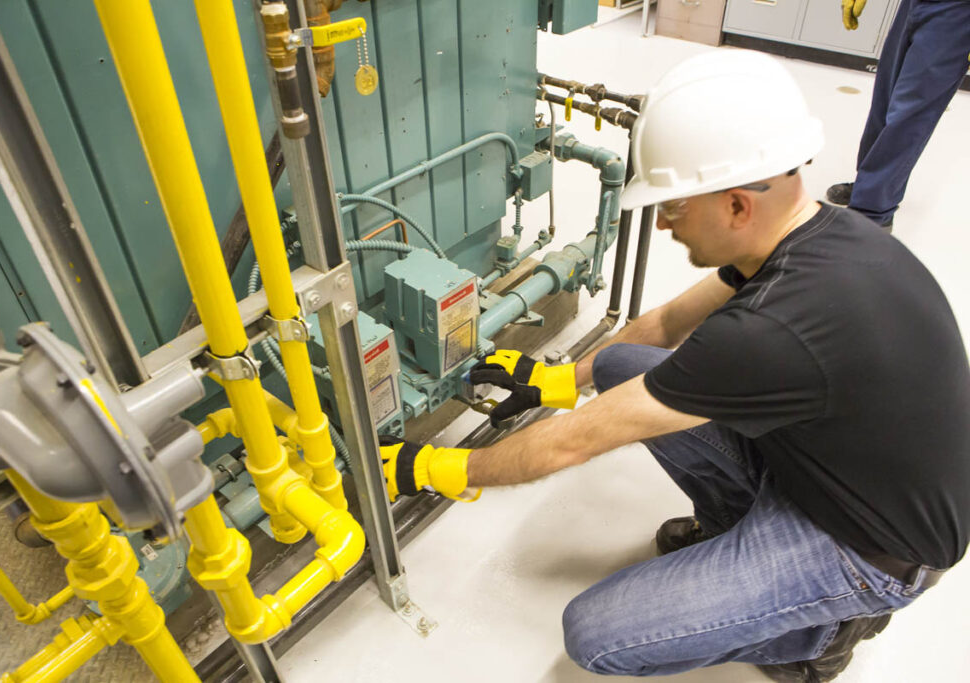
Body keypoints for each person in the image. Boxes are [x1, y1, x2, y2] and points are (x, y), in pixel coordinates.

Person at [379, 50, 970, 681]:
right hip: (835, 472)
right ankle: (733, 525)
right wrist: (562, 378)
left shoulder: (769, 330)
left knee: (597, 636)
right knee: (622, 365)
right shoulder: (815, 233)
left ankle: (824, 632)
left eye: (677, 204)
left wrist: (441, 466)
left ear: (738, 205)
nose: (663, 222)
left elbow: (572, 445)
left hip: (873, 548)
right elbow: (660, 325)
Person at [827, 0, 970, 229]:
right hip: (912, 5)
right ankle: (868, 186)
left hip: (959, 12)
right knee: (885, 98)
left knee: (909, 114)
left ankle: (872, 214)